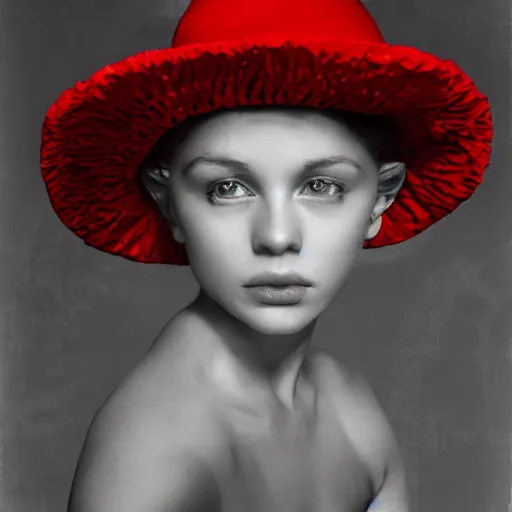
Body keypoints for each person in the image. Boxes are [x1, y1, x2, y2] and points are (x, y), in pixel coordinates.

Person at [39, 0, 493, 511]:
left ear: (379, 201)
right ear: (169, 204)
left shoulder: (349, 406)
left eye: (322, 186)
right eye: (228, 188)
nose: (277, 236)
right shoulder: (154, 450)